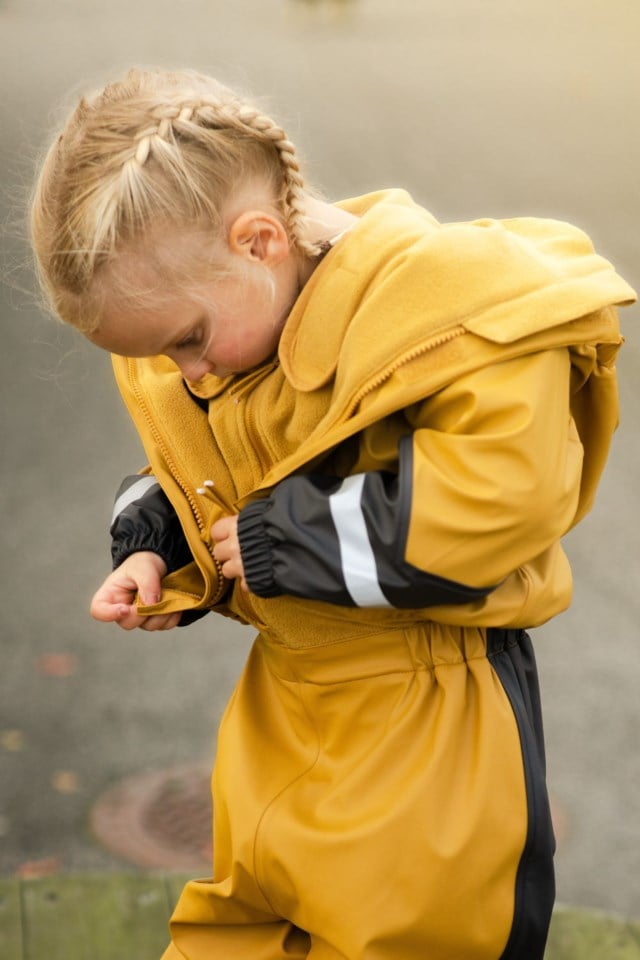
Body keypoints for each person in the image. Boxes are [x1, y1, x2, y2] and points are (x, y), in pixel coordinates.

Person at [30, 67, 635, 960]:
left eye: (187, 340)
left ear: (261, 239)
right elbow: (206, 462)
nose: (192, 374)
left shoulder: (446, 316)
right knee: (237, 924)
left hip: (430, 733)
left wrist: (288, 537)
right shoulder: (244, 331)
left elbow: (500, 497)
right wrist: (155, 542)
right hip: (285, 717)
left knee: (415, 937)